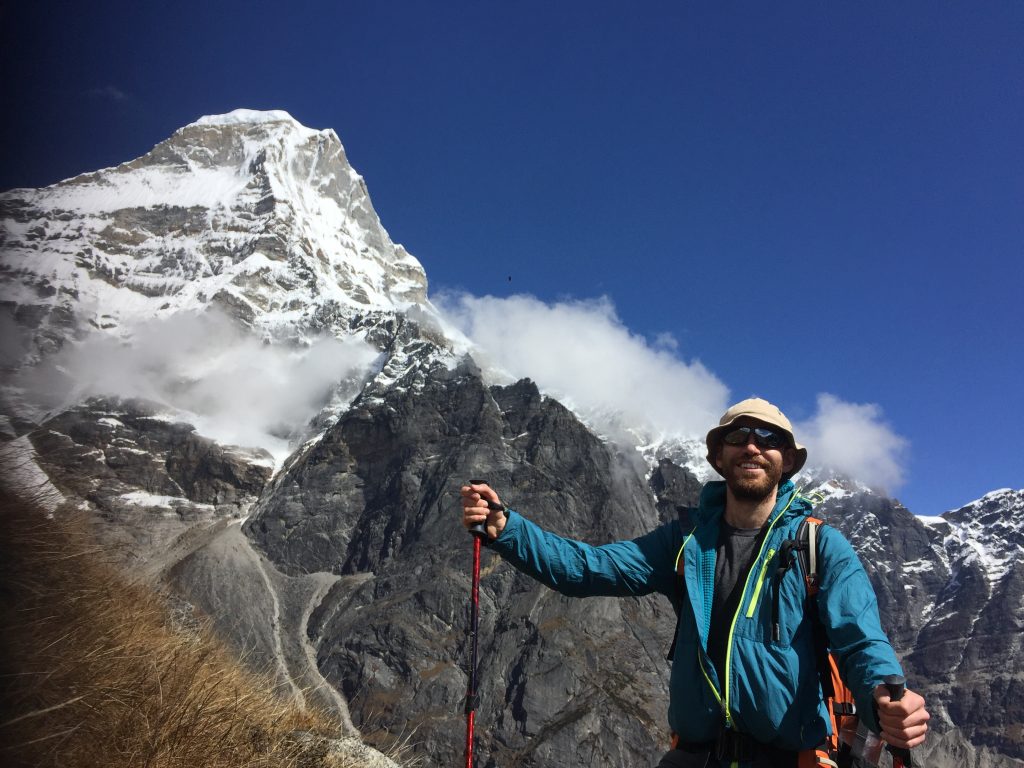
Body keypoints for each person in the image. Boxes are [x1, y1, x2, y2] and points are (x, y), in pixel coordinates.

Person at [461, 397, 929, 767]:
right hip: (695, 756)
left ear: (786, 459)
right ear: (718, 457)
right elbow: (589, 568)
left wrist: (885, 699)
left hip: (791, 759)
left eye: (767, 438)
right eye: (737, 436)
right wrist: (508, 529)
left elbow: (860, 642)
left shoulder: (820, 547)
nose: (751, 446)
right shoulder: (684, 542)